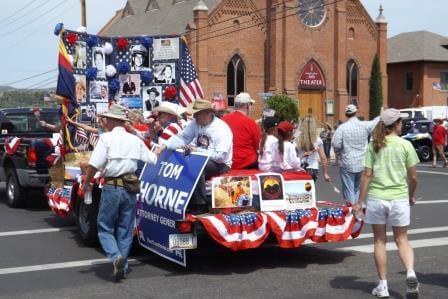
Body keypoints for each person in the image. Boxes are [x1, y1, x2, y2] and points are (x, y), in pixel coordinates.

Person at [82, 104, 157, 282]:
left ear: (113, 120)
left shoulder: (106, 138)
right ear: (122, 122)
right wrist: (159, 150)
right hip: (130, 188)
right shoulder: (134, 139)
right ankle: (121, 264)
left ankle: (116, 257)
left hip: (112, 187)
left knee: (105, 227)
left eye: (107, 119)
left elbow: (94, 164)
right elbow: (152, 159)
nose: (105, 121)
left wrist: (86, 183)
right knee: (125, 227)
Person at [353, 109, 420, 298]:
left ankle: (383, 285)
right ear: (396, 124)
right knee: (402, 239)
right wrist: (411, 195)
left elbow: (367, 175)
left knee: (380, 241)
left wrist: (360, 201)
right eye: (401, 121)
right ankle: (410, 272)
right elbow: (413, 177)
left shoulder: (374, 144)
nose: (402, 124)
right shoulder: (405, 145)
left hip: (377, 197)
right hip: (399, 197)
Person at [156, 99, 233, 209]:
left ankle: (200, 204)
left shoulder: (221, 129)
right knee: (178, 160)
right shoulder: (196, 123)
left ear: (208, 113)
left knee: (195, 165)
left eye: (197, 113)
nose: (194, 116)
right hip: (199, 156)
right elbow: (183, 137)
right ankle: (179, 200)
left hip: (220, 164)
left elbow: (220, 156)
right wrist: (165, 146)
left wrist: (196, 150)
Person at [332, 104, 380, 204]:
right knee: (357, 188)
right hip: (362, 161)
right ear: (356, 112)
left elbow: (336, 144)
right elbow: (375, 122)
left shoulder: (342, 128)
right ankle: (357, 210)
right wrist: (382, 113)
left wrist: (339, 152)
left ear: (346, 114)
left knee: (349, 190)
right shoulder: (365, 125)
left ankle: (352, 212)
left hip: (347, 161)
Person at [221, 92, 260, 169]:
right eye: (251, 104)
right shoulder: (251, 123)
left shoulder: (223, 120)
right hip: (248, 162)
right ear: (247, 106)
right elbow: (257, 146)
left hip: (227, 163)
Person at [296, 116, 330, 182]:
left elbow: (291, 140)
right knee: (310, 190)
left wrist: (299, 129)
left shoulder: (297, 137)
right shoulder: (317, 139)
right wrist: (325, 174)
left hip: (299, 167)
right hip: (312, 168)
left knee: (299, 190)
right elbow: (323, 157)